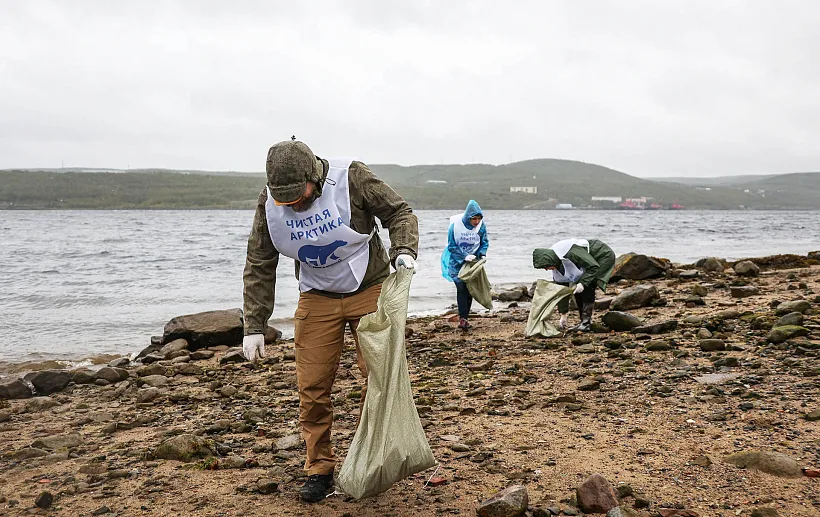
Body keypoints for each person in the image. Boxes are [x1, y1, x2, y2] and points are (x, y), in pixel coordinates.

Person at [242, 140, 419, 503]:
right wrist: (254, 325)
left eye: (298, 195)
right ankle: (319, 469)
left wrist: (403, 251)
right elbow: (260, 260)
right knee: (312, 387)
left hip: (369, 287)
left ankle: (373, 456)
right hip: (316, 296)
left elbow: (400, 213)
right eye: (284, 198)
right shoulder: (269, 202)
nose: (292, 203)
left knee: (380, 375)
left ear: (314, 177)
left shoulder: (351, 176)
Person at [532, 238, 615, 332]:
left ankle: (586, 323)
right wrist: (563, 314)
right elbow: (562, 290)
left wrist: (583, 284)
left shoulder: (570, 251)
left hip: (601, 255)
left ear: (551, 261)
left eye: (546, 267)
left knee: (587, 286)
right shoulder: (556, 265)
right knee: (577, 289)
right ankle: (583, 321)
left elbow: (593, 266)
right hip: (587, 263)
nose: (547, 269)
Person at [440, 200, 489, 330]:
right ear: (468, 217)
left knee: (470, 289)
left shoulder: (481, 227)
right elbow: (451, 246)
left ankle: (465, 318)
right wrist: (463, 256)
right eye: (474, 219)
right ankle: (463, 318)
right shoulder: (455, 226)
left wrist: (482, 253)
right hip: (456, 262)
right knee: (461, 287)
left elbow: (484, 242)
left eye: (479, 219)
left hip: (473, 262)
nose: (476, 222)